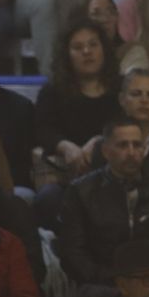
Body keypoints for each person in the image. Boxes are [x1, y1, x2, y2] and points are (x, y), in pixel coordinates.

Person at [57, 119, 149, 297]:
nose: (131, 152)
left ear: (145, 149)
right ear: (105, 151)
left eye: (137, 145)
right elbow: (73, 254)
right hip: (101, 284)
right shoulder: (80, 192)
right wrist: (117, 280)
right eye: (123, 145)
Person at [35, 20, 121, 182]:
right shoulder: (52, 91)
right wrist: (65, 146)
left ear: (104, 49)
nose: (87, 51)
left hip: (115, 173)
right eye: (78, 47)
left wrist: (100, 141)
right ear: (67, 55)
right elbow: (42, 129)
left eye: (93, 44)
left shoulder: (122, 89)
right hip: (64, 174)